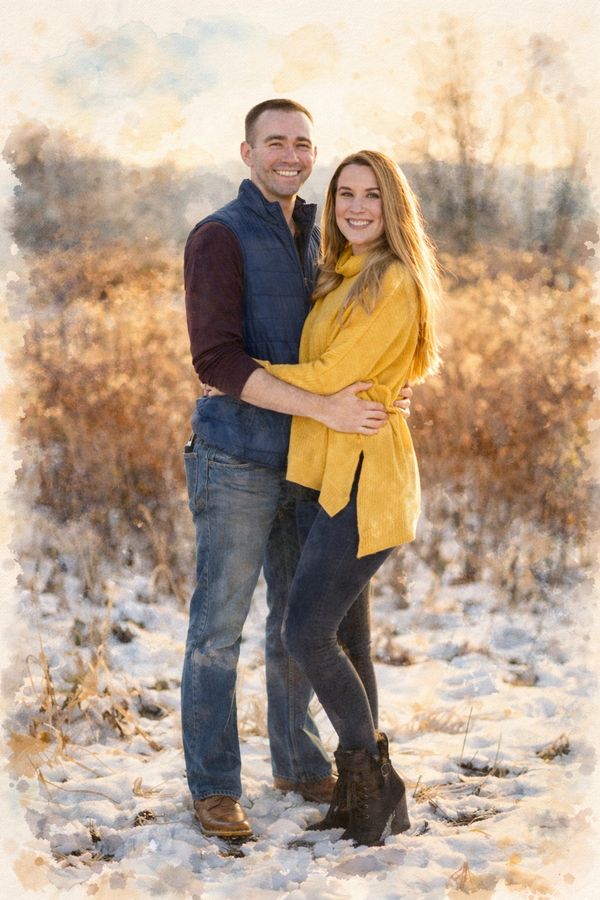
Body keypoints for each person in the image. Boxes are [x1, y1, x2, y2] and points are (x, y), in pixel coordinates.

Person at [182, 99, 412, 840]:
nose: (290, 155)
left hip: (313, 464)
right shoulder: (219, 235)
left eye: (302, 144)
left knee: (298, 626)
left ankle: (302, 763)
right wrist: (324, 405)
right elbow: (216, 359)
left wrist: (386, 387)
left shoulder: (321, 234)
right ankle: (216, 787)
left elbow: (365, 332)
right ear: (247, 152)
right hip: (237, 457)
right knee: (218, 630)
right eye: (274, 142)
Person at [243, 150, 442, 845]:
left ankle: (373, 784)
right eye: (345, 194)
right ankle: (371, 796)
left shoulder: (392, 280)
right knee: (349, 640)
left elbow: (333, 374)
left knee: (305, 632)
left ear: (394, 207)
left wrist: (241, 373)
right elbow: (343, 373)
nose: (357, 207)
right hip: (329, 473)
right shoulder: (343, 274)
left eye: (372, 196)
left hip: (366, 480)